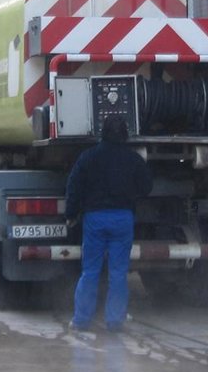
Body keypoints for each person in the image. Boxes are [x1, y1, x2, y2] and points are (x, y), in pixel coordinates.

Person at [64, 114, 153, 333]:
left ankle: (81, 320)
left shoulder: (88, 157)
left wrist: (71, 214)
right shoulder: (133, 159)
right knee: (118, 273)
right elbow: (147, 186)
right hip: (122, 219)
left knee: (90, 271)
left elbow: (74, 186)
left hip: (94, 219)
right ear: (125, 134)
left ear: (102, 133)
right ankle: (114, 321)